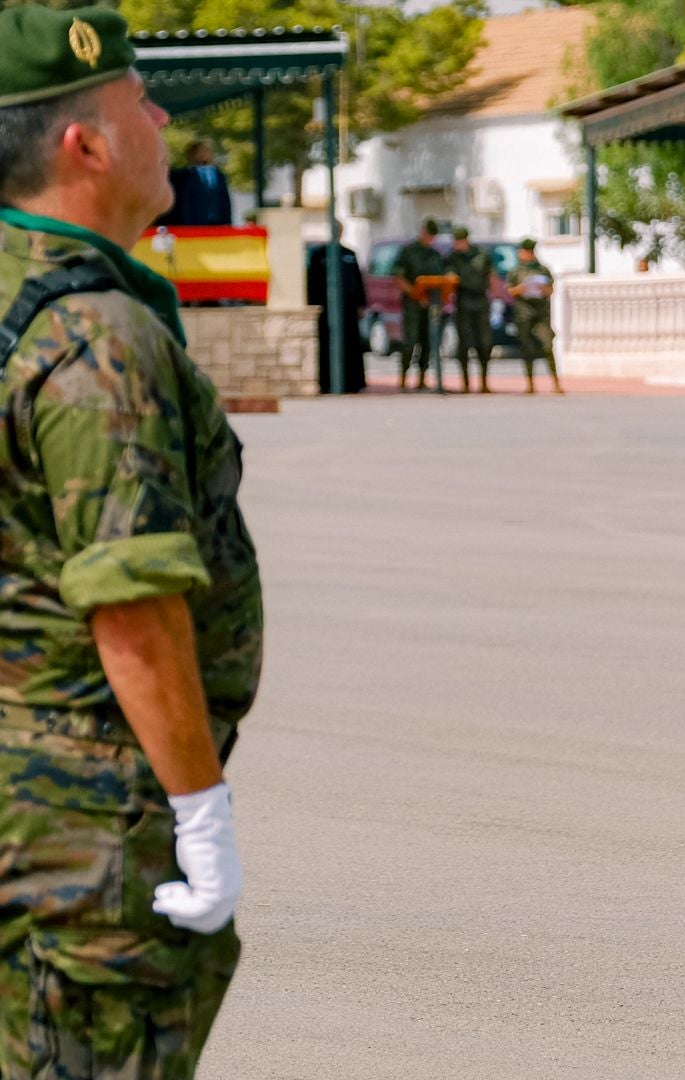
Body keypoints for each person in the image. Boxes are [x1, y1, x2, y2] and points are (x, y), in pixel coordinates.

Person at [0, 6, 263, 1075]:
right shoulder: (97, 335)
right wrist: (199, 809)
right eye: (141, 100)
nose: (161, 119)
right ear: (88, 144)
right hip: (85, 832)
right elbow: (134, 602)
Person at [305, 220, 366, 394]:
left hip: (348, 310)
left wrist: (361, 304)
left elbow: (358, 281)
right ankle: (327, 382)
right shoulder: (319, 255)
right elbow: (312, 283)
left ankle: (352, 383)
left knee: (351, 346)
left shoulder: (349, 254)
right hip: (326, 310)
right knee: (327, 346)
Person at [507, 237, 562, 394]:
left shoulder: (542, 270)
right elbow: (510, 290)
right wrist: (521, 289)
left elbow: (551, 289)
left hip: (541, 314)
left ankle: (556, 383)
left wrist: (542, 289)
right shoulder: (515, 271)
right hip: (523, 314)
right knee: (527, 349)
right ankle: (530, 384)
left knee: (547, 346)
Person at [445, 226, 496, 393]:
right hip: (463, 302)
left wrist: (496, 296)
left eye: (459, 241)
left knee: (485, 343)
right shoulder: (452, 258)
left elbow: (491, 276)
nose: (456, 244)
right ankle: (465, 383)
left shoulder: (482, 255)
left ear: (465, 240)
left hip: (481, 302)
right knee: (464, 344)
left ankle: (484, 382)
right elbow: (449, 275)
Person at [394, 218, 444, 390]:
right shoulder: (409, 251)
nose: (430, 238)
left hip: (430, 304)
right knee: (410, 342)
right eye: (428, 234)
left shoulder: (434, 254)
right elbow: (400, 277)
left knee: (427, 342)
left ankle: (422, 379)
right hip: (412, 304)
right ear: (422, 231)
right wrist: (416, 294)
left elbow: (441, 278)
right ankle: (402, 379)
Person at [160, 137, 232, 227]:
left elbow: (225, 200)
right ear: (191, 154)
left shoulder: (220, 175)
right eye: (200, 152)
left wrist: (227, 221)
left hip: (218, 222)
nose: (203, 154)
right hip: (193, 223)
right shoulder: (183, 176)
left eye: (206, 151)